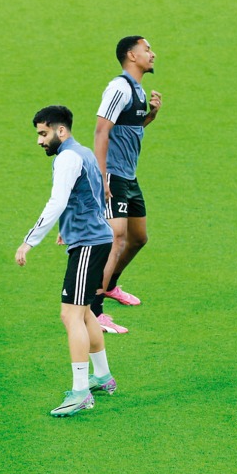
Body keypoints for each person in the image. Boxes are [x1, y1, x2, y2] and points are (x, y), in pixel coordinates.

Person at [16, 105, 117, 417]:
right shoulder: (83, 152)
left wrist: (28, 241)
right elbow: (96, 191)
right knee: (84, 312)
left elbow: (58, 200)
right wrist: (68, 228)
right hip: (93, 238)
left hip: (89, 243)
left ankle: (80, 392)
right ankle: (102, 376)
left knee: (69, 315)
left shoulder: (67, 158)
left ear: (61, 131)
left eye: (43, 134)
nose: (39, 141)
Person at [91, 35, 162, 334]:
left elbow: (127, 130)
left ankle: (109, 285)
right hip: (113, 175)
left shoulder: (137, 91)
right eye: (147, 50)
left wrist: (151, 116)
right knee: (116, 238)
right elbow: (100, 131)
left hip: (129, 177)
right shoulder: (118, 88)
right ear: (131, 56)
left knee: (138, 237)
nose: (153, 54)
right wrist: (101, 177)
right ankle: (93, 310)